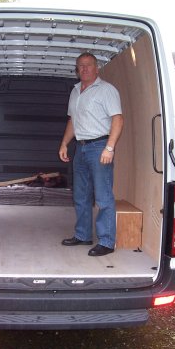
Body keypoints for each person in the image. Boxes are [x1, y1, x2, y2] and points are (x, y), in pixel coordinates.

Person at [58, 52, 123, 256]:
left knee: (103, 196)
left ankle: (106, 241)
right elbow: (72, 121)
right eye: (80, 66)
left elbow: (118, 119)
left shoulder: (107, 90)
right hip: (81, 147)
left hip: (99, 147)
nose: (84, 69)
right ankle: (83, 235)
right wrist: (64, 144)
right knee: (81, 195)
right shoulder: (75, 91)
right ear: (77, 70)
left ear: (97, 68)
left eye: (88, 65)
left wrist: (109, 148)